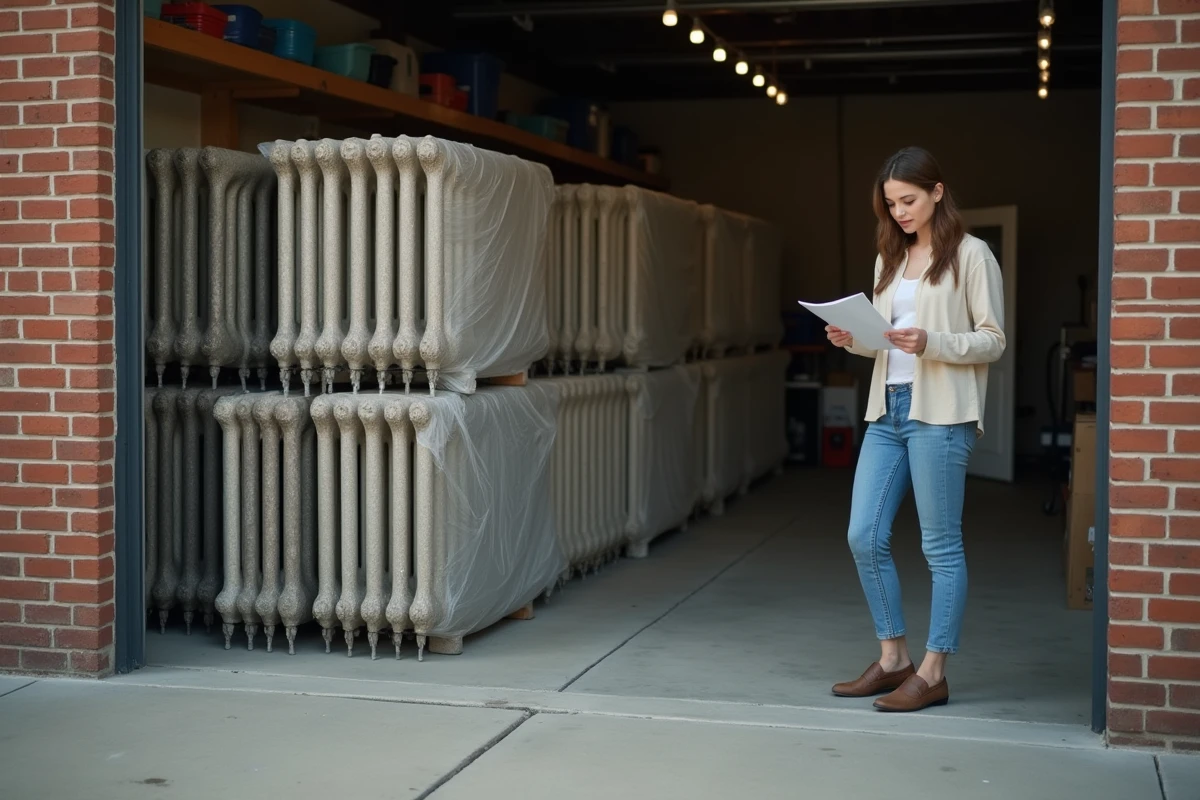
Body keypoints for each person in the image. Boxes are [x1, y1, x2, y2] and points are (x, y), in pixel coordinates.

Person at [825, 147, 1005, 713]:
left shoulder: (973, 256)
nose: (899, 212)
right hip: (888, 411)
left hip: (941, 414)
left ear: (936, 192)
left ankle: (934, 670)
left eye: (908, 200)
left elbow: (993, 340)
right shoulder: (889, 258)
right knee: (863, 535)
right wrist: (851, 338)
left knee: (940, 547)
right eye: (890, 204)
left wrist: (934, 341)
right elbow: (883, 340)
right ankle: (893, 658)